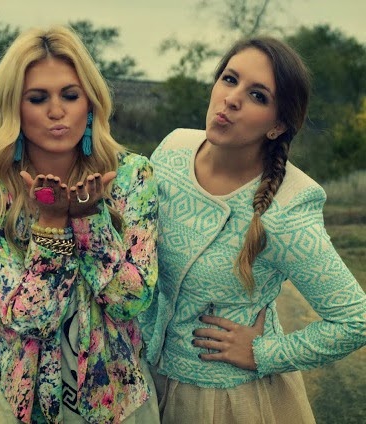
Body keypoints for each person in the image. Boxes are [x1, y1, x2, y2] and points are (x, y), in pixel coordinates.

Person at [139, 36, 366, 424]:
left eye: (258, 96)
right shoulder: (172, 149)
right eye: (229, 79)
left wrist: (264, 353)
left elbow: (355, 320)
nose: (231, 99)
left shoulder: (288, 208)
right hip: (147, 380)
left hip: (224, 402)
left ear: (277, 125)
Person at [0, 26, 160, 424]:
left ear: (90, 103)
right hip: (18, 402)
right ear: (14, 107)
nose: (56, 111)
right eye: (37, 98)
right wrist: (50, 225)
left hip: (117, 400)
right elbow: (30, 319)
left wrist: (89, 222)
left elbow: (131, 302)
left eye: (70, 95)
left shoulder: (131, 177)